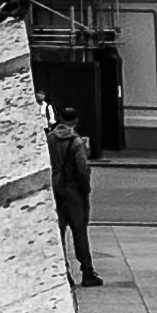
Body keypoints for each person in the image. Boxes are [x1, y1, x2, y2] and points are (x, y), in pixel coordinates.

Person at [47, 107, 103, 288]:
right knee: (79, 233)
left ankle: (64, 273)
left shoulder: (49, 139)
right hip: (73, 190)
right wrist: (85, 189)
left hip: (56, 189)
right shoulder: (76, 141)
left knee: (59, 233)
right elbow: (82, 169)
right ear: (76, 120)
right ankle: (87, 271)